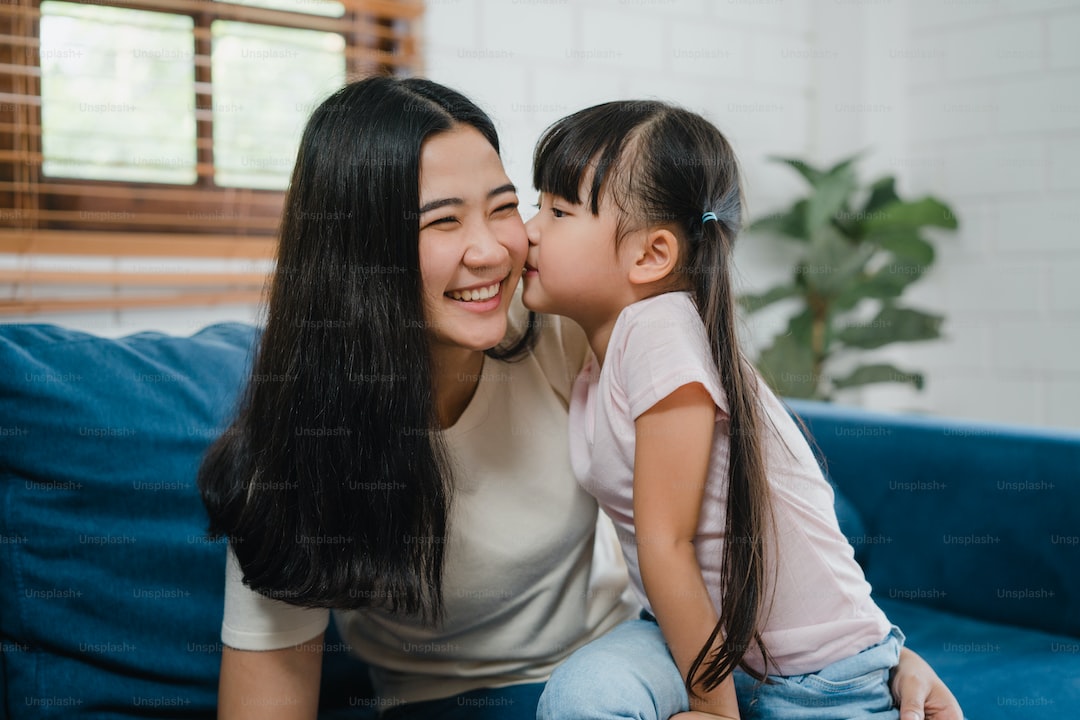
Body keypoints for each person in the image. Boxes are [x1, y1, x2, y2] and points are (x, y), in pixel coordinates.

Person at [198, 76, 963, 720]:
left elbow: (756, 493)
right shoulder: (304, 436)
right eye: (444, 221)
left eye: (506, 206)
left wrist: (872, 653)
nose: (498, 246)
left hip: (643, 657)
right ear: (357, 252)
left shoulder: (574, 328)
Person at [521, 101, 965, 720]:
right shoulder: (602, 346)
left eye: (558, 212)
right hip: (695, 641)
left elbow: (667, 543)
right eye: (536, 203)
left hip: (817, 676)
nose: (528, 229)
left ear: (651, 256)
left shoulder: (660, 330)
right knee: (581, 698)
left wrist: (713, 712)